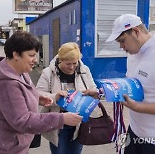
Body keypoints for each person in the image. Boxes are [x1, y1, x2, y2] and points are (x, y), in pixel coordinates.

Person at [0, 31, 82, 154]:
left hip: (14, 144)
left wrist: (38, 97)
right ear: (16, 55)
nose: (35, 60)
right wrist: (61, 118)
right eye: (31, 55)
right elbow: (23, 120)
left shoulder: (20, 71)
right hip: (3, 147)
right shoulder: (6, 83)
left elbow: (23, 92)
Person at [36, 42, 99, 154]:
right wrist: (55, 97)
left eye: (74, 63)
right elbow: (37, 95)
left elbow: (93, 89)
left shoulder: (84, 71)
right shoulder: (48, 73)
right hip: (58, 124)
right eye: (68, 64)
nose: (71, 67)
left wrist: (93, 93)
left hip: (78, 124)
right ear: (60, 60)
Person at [106, 14, 155, 154]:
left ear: (135, 31)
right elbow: (130, 85)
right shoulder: (132, 54)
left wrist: (138, 107)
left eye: (122, 41)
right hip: (133, 132)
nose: (121, 47)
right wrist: (102, 92)